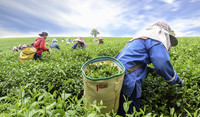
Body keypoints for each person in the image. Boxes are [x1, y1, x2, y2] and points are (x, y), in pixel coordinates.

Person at [116, 22, 184, 116]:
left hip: (118, 76)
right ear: (164, 33)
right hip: (129, 79)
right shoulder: (156, 37)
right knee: (131, 112)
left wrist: (150, 70)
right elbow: (162, 64)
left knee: (121, 110)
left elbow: (134, 61)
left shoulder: (141, 38)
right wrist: (175, 78)